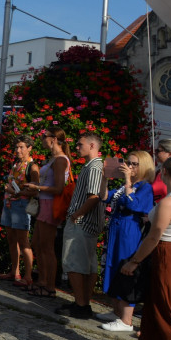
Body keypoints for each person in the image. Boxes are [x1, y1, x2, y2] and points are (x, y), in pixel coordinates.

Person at [110, 155, 171, 340]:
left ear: (164, 172)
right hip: (168, 251)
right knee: (154, 303)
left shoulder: (169, 201)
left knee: (167, 307)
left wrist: (134, 261)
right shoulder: (170, 200)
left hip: (166, 253)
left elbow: (153, 236)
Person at [97, 150, 153, 332]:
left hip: (130, 231)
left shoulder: (145, 187)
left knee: (125, 270)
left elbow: (133, 204)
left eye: (133, 164)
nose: (128, 166)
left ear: (143, 166)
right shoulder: (124, 187)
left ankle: (126, 319)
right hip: (117, 229)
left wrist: (128, 181)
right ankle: (116, 311)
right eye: (127, 162)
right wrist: (105, 177)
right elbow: (104, 197)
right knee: (113, 266)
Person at [55, 133, 105, 320]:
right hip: (88, 223)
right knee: (88, 265)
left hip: (82, 223)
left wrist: (77, 214)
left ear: (92, 145)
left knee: (75, 263)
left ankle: (81, 304)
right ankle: (82, 302)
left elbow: (94, 197)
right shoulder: (94, 166)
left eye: (79, 144)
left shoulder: (94, 167)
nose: (76, 147)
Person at [24, 128, 70, 298]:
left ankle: (49, 285)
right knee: (37, 243)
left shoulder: (60, 160)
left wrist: (37, 187)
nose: (42, 139)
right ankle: (42, 280)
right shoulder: (54, 159)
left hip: (50, 204)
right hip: (44, 203)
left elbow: (59, 188)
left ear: (54, 139)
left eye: (44, 136)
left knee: (47, 246)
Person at [0, 136, 38, 288]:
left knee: (23, 241)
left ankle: (28, 276)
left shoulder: (32, 167)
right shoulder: (16, 165)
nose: (18, 150)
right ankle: (15, 271)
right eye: (17, 147)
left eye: (22, 147)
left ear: (29, 148)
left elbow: (35, 190)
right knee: (11, 240)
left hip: (21, 205)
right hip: (9, 204)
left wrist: (16, 192)